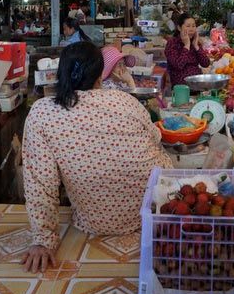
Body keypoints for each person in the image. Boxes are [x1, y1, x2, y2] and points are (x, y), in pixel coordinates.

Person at [21, 42, 172, 273]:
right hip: (148, 212)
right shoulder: (125, 101)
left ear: (60, 73)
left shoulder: (42, 113)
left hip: (93, 221)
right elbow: (156, 137)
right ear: (99, 76)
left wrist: (43, 240)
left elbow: (40, 182)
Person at [165, 13, 210, 86]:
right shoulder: (172, 43)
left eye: (194, 26)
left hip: (197, 85)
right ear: (179, 28)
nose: (191, 29)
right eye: (188, 26)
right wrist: (187, 46)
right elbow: (179, 65)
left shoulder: (195, 42)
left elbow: (206, 63)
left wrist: (196, 46)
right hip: (181, 87)